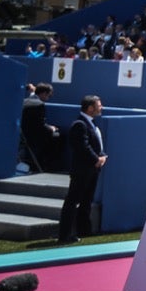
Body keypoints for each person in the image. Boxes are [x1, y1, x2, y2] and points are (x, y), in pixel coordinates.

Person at [58, 95, 108, 244]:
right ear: (90, 108)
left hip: (92, 171)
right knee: (72, 201)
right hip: (82, 171)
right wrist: (96, 159)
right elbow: (82, 147)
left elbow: (95, 144)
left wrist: (102, 156)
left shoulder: (91, 124)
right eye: (99, 105)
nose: (102, 107)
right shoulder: (80, 124)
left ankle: (84, 230)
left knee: (86, 201)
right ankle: (65, 235)